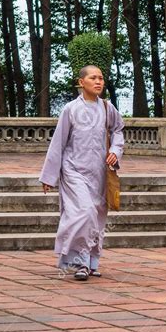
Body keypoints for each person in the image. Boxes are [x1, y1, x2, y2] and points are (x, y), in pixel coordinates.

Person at [39, 65, 124, 281]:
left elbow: (118, 131)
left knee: (97, 217)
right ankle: (79, 262)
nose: (98, 82)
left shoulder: (107, 108)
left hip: (99, 172)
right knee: (84, 213)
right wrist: (49, 176)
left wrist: (115, 150)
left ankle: (92, 262)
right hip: (73, 170)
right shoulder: (70, 109)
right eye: (93, 78)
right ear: (81, 82)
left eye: (101, 78)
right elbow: (58, 142)